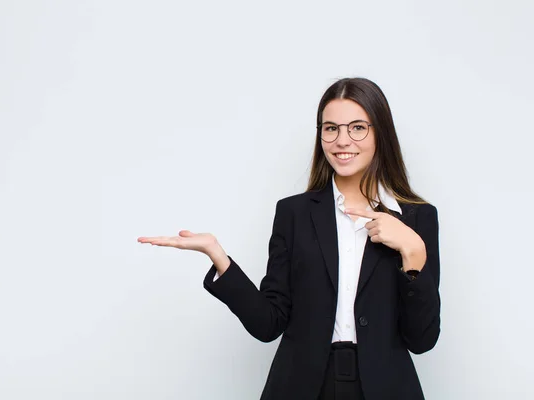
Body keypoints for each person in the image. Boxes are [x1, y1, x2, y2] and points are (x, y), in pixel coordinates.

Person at [137, 77, 441, 400]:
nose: (342, 140)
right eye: (330, 128)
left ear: (380, 132)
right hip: (303, 386)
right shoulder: (293, 214)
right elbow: (269, 323)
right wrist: (219, 258)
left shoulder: (416, 219)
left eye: (357, 128)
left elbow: (422, 339)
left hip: (386, 388)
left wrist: (413, 250)